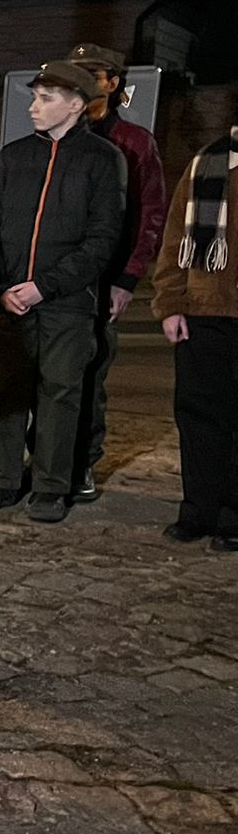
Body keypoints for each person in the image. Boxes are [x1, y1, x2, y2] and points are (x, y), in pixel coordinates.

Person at [0, 60, 126, 524]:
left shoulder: (101, 159)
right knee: (7, 393)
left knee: (60, 392)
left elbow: (101, 239)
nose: (34, 106)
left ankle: (51, 486)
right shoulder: (14, 157)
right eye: (34, 97)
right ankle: (2, 480)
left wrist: (44, 286)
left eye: (46, 98)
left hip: (66, 304)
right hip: (9, 302)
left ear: (76, 104)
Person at [66, 41, 167, 501]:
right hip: (56, 276)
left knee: (89, 375)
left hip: (104, 277)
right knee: (47, 377)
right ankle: (45, 458)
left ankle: (82, 464)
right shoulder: (57, 135)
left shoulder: (134, 143)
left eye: (94, 73)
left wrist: (129, 279)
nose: (86, 81)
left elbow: (151, 214)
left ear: (112, 82)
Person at [153, 119, 238, 550]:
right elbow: (173, 242)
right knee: (200, 417)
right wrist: (170, 304)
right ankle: (198, 509)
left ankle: (234, 515)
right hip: (206, 311)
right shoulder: (208, 162)